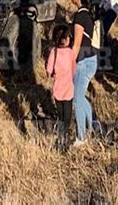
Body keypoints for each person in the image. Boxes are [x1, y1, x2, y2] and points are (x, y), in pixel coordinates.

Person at [69, 0, 97, 146]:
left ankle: (81, 137)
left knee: (77, 99)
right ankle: (92, 126)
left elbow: (77, 44)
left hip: (83, 62)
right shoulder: (87, 13)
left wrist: (69, 63)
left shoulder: (80, 16)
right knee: (80, 97)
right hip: (91, 60)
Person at [46, 24, 76, 152]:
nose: (69, 38)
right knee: (67, 117)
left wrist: (52, 74)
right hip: (68, 89)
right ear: (63, 39)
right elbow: (74, 69)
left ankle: (61, 138)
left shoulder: (54, 52)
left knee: (61, 115)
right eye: (68, 37)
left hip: (57, 89)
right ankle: (65, 139)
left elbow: (49, 69)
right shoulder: (70, 53)